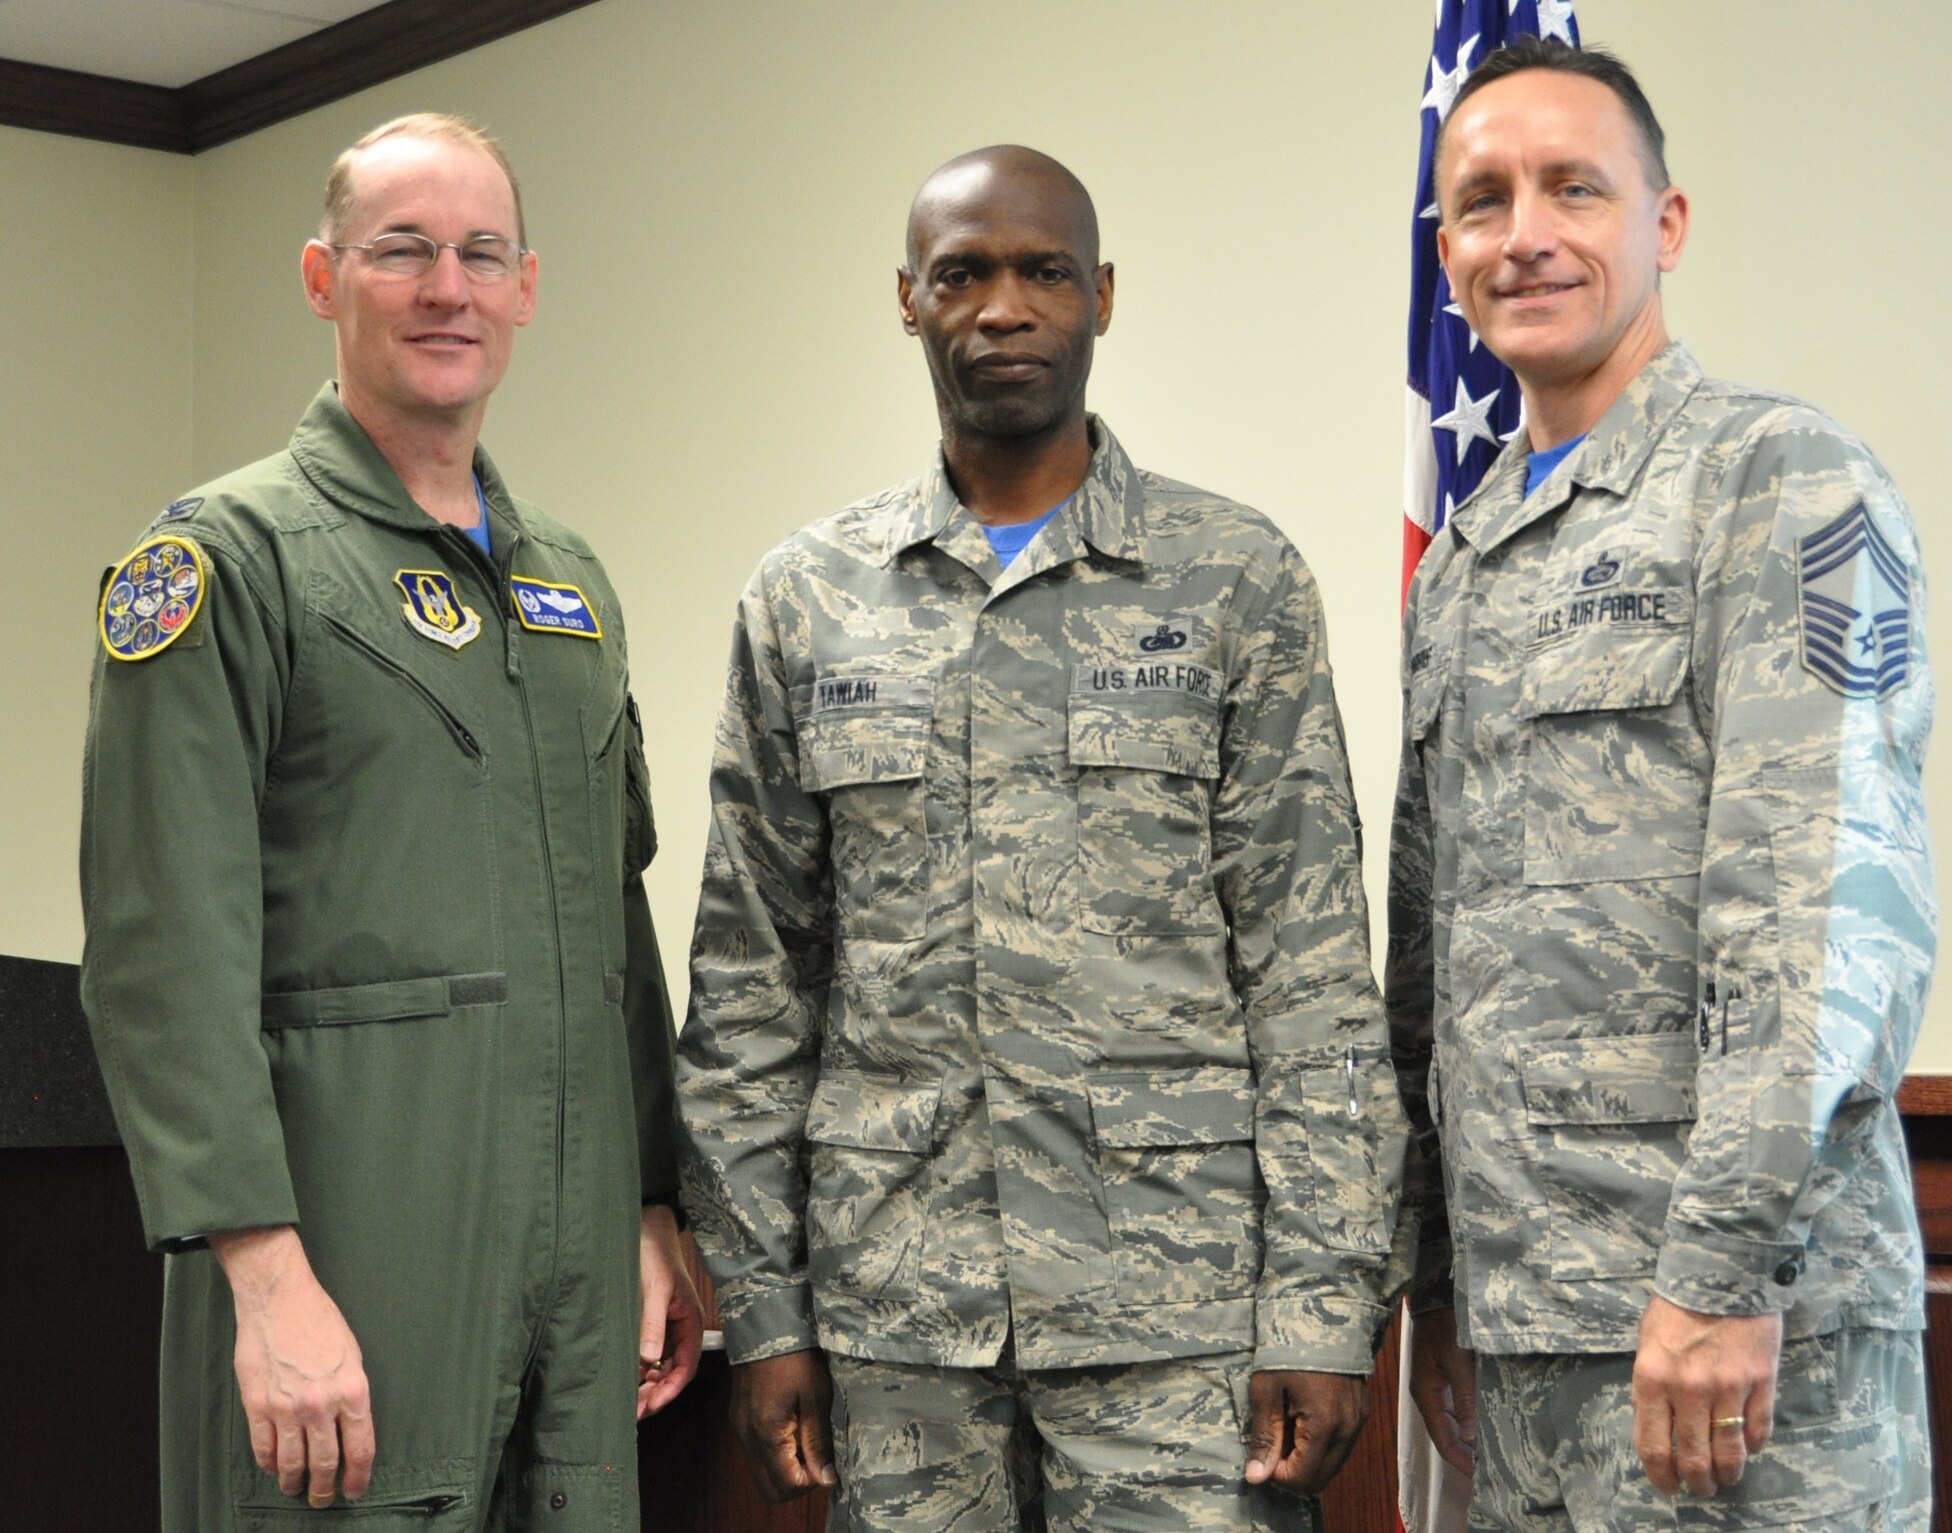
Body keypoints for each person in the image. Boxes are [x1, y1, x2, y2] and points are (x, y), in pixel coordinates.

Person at [674, 145, 1408, 1532]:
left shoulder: (1233, 579)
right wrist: (766, 1307)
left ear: (1103, 297)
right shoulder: (808, 598)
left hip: (1178, 1326)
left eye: (1042, 272)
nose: (1002, 307)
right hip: (899, 1328)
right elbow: (753, 987)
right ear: (908, 300)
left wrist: (1319, 1304)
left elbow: (1310, 976)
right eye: (963, 273)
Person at [79, 114, 700, 1531]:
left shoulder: (571, 585)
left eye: (482, 254)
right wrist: (265, 1276)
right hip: (351, 1252)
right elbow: (158, 948)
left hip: (578, 1276)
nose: (447, 289)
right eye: (402, 251)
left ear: (526, 287)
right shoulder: (223, 562)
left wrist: (652, 1206)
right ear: (321, 277)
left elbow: (615, 916)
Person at [1390, 38, 1935, 1532]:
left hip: (1746, 1333)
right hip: (1528, 1345)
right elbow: (1427, 958)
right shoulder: (1467, 564)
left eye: (1576, 187)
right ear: (1450, 254)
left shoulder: (1785, 481)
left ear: (1665, 224)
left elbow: (1825, 914)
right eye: (1485, 202)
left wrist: (1716, 1273)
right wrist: (1439, 1284)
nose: (1530, 235)